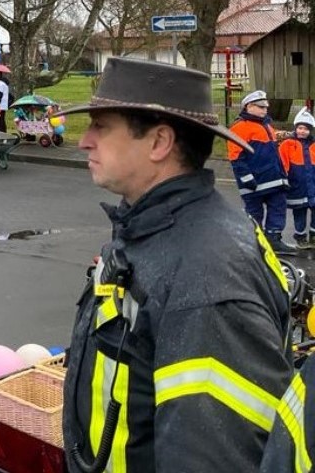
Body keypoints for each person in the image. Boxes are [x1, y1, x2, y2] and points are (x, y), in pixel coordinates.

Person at [53, 58, 291, 472]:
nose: (84, 141)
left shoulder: (207, 282)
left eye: (101, 126)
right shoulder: (151, 226)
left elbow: (213, 457)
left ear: (159, 143)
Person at [229, 89, 294, 253]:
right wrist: (246, 178)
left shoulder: (265, 124)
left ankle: (273, 239)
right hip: (254, 182)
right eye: (261, 107)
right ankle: (254, 241)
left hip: (273, 178)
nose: (265, 110)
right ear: (248, 107)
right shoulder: (239, 128)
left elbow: (271, 147)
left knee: (278, 207)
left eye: (265, 107)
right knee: (254, 212)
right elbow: (236, 157)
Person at [280, 108, 315, 249]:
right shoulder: (287, 145)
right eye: (300, 128)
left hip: (313, 186)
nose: (302, 131)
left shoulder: (313, 146)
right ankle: (300, 238)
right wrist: (284, 180)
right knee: (299, 213)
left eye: (306, 129)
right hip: (297, 187)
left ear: (310, 131)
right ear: (295, 128)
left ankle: (313, 235)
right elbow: (283, 164)